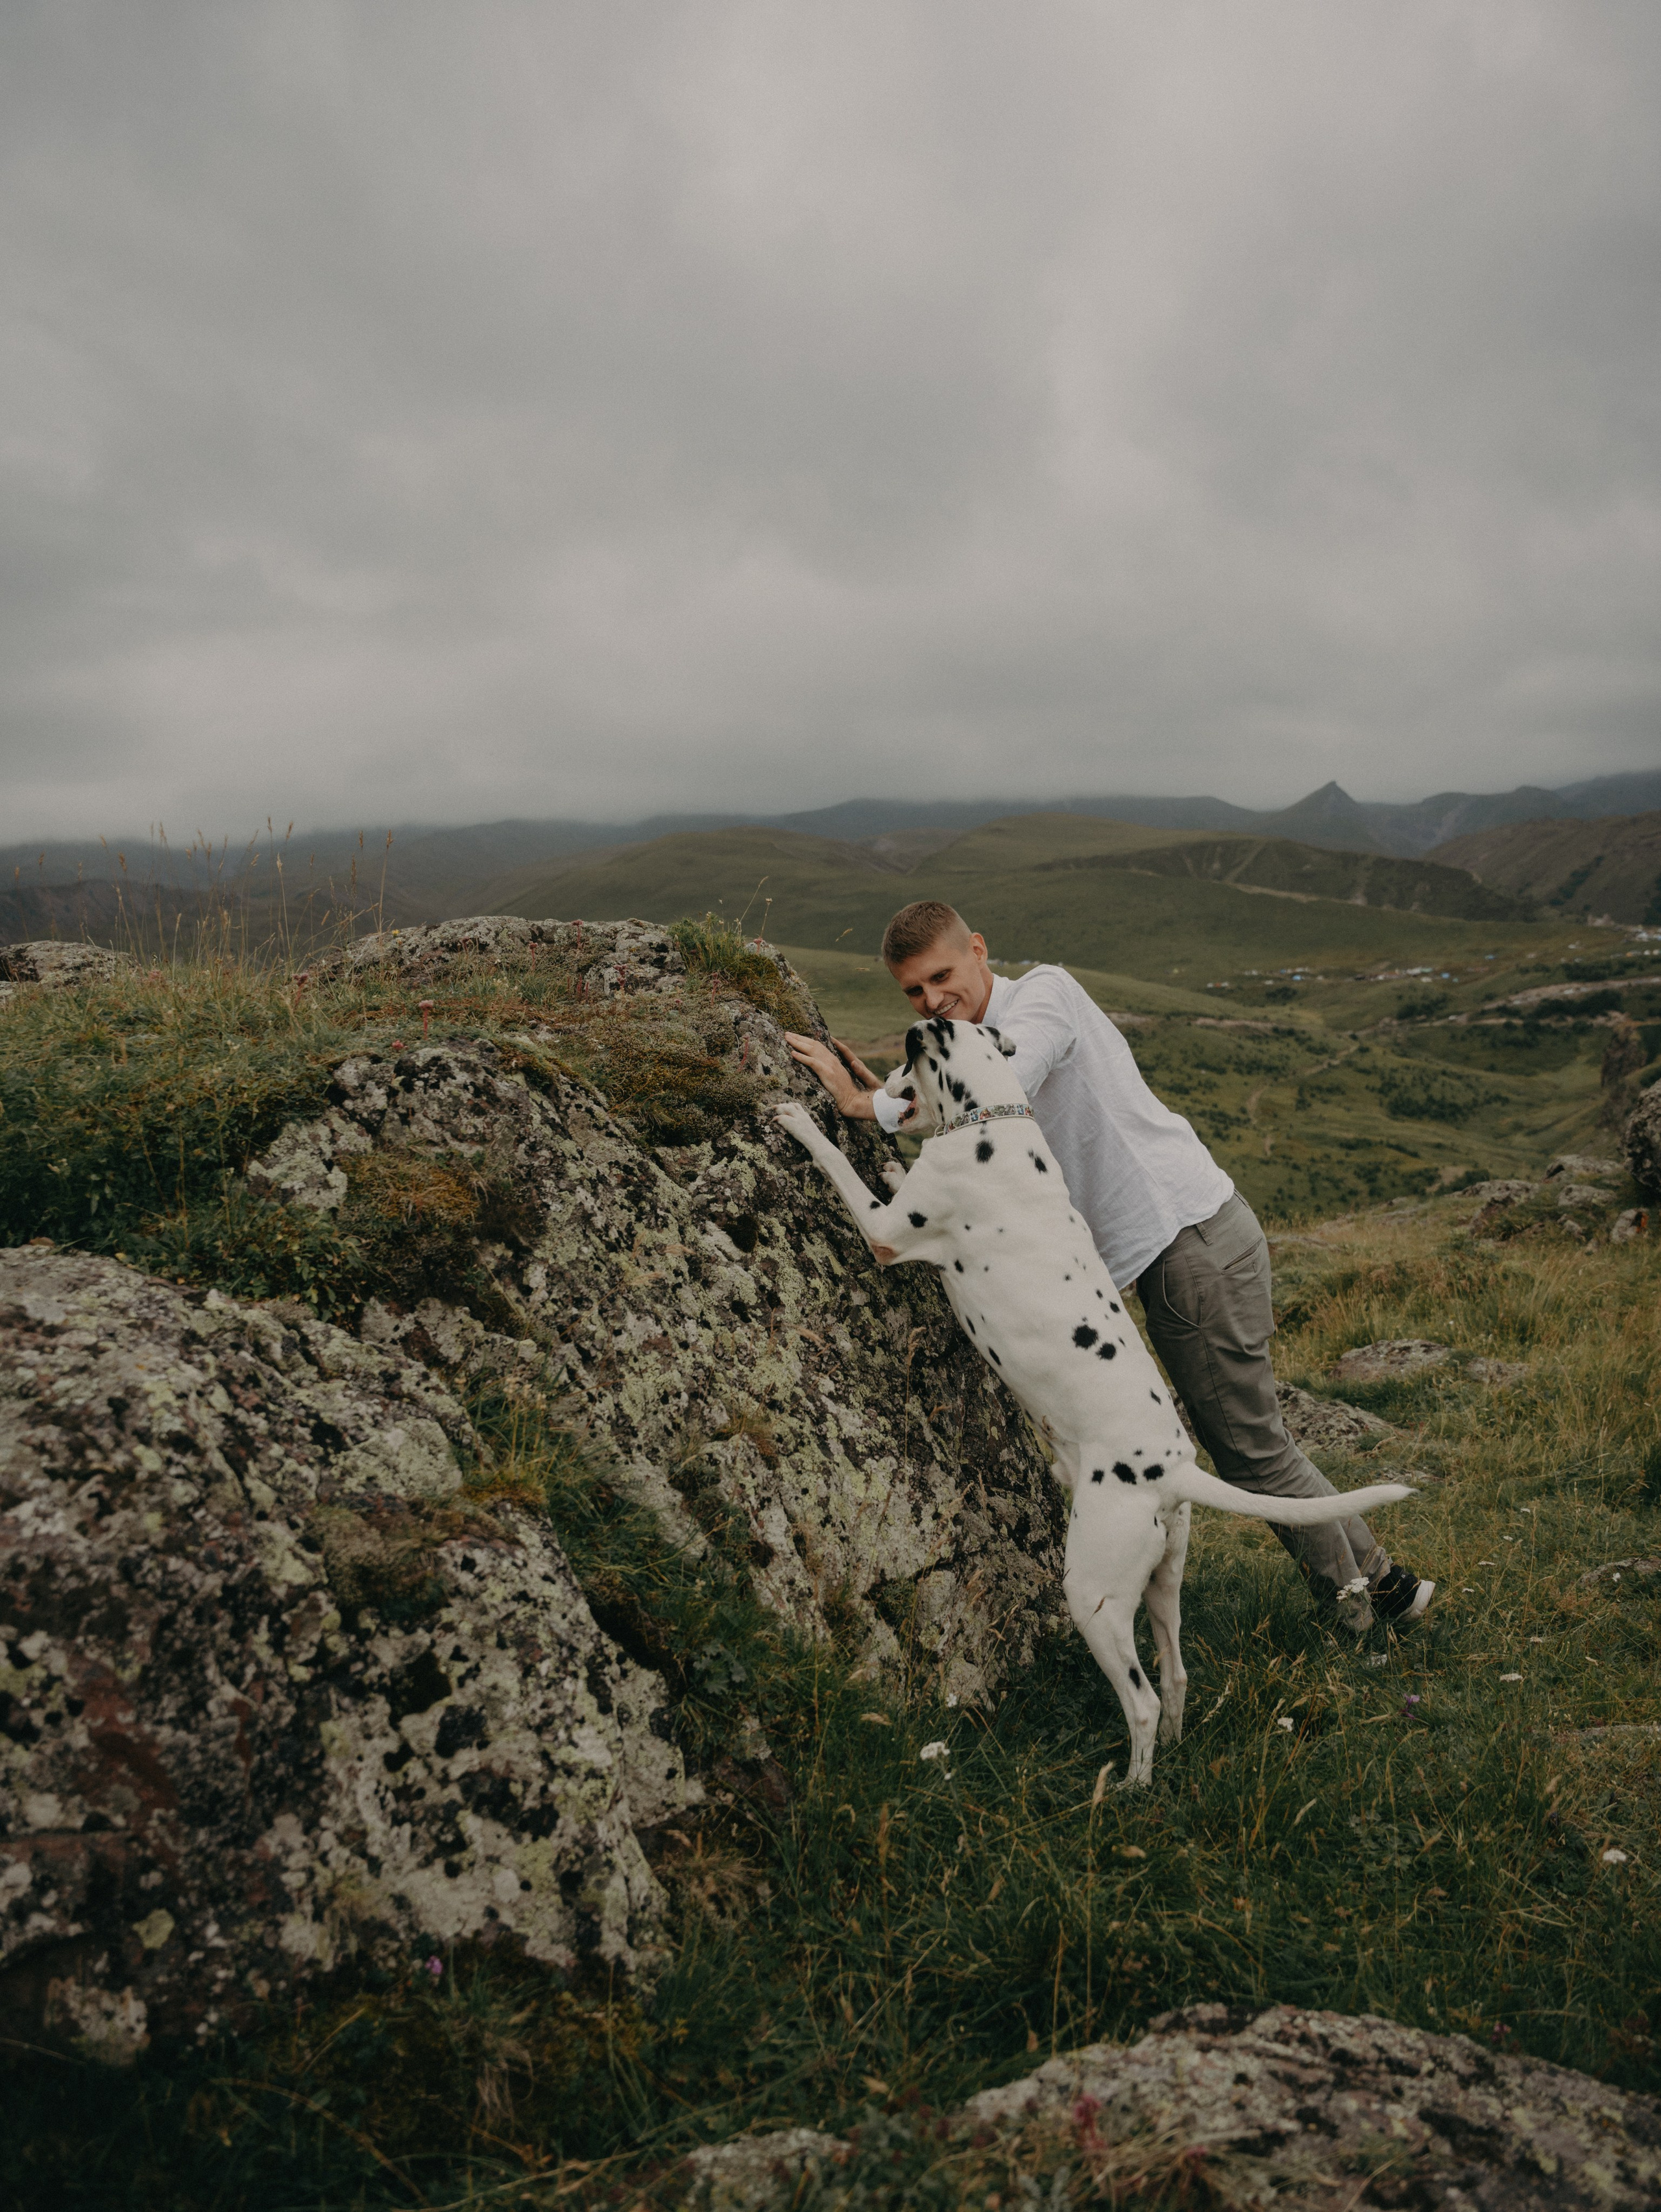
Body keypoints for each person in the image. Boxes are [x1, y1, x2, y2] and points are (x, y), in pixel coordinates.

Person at [784, 898, 1433, 1637]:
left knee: (1249, 1450)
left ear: (978, 948)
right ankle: (1386, 1589)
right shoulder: (963, 1042)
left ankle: (1360, 1608)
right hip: (1180, 1250)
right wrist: (898, 1091)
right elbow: (957, 1094)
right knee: (1256, 1444)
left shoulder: (1044, 996)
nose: (934, 999)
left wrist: (870, 1106)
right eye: (914, 991)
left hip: (1191, 1245)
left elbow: (1000, 1087)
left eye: (942, 976)